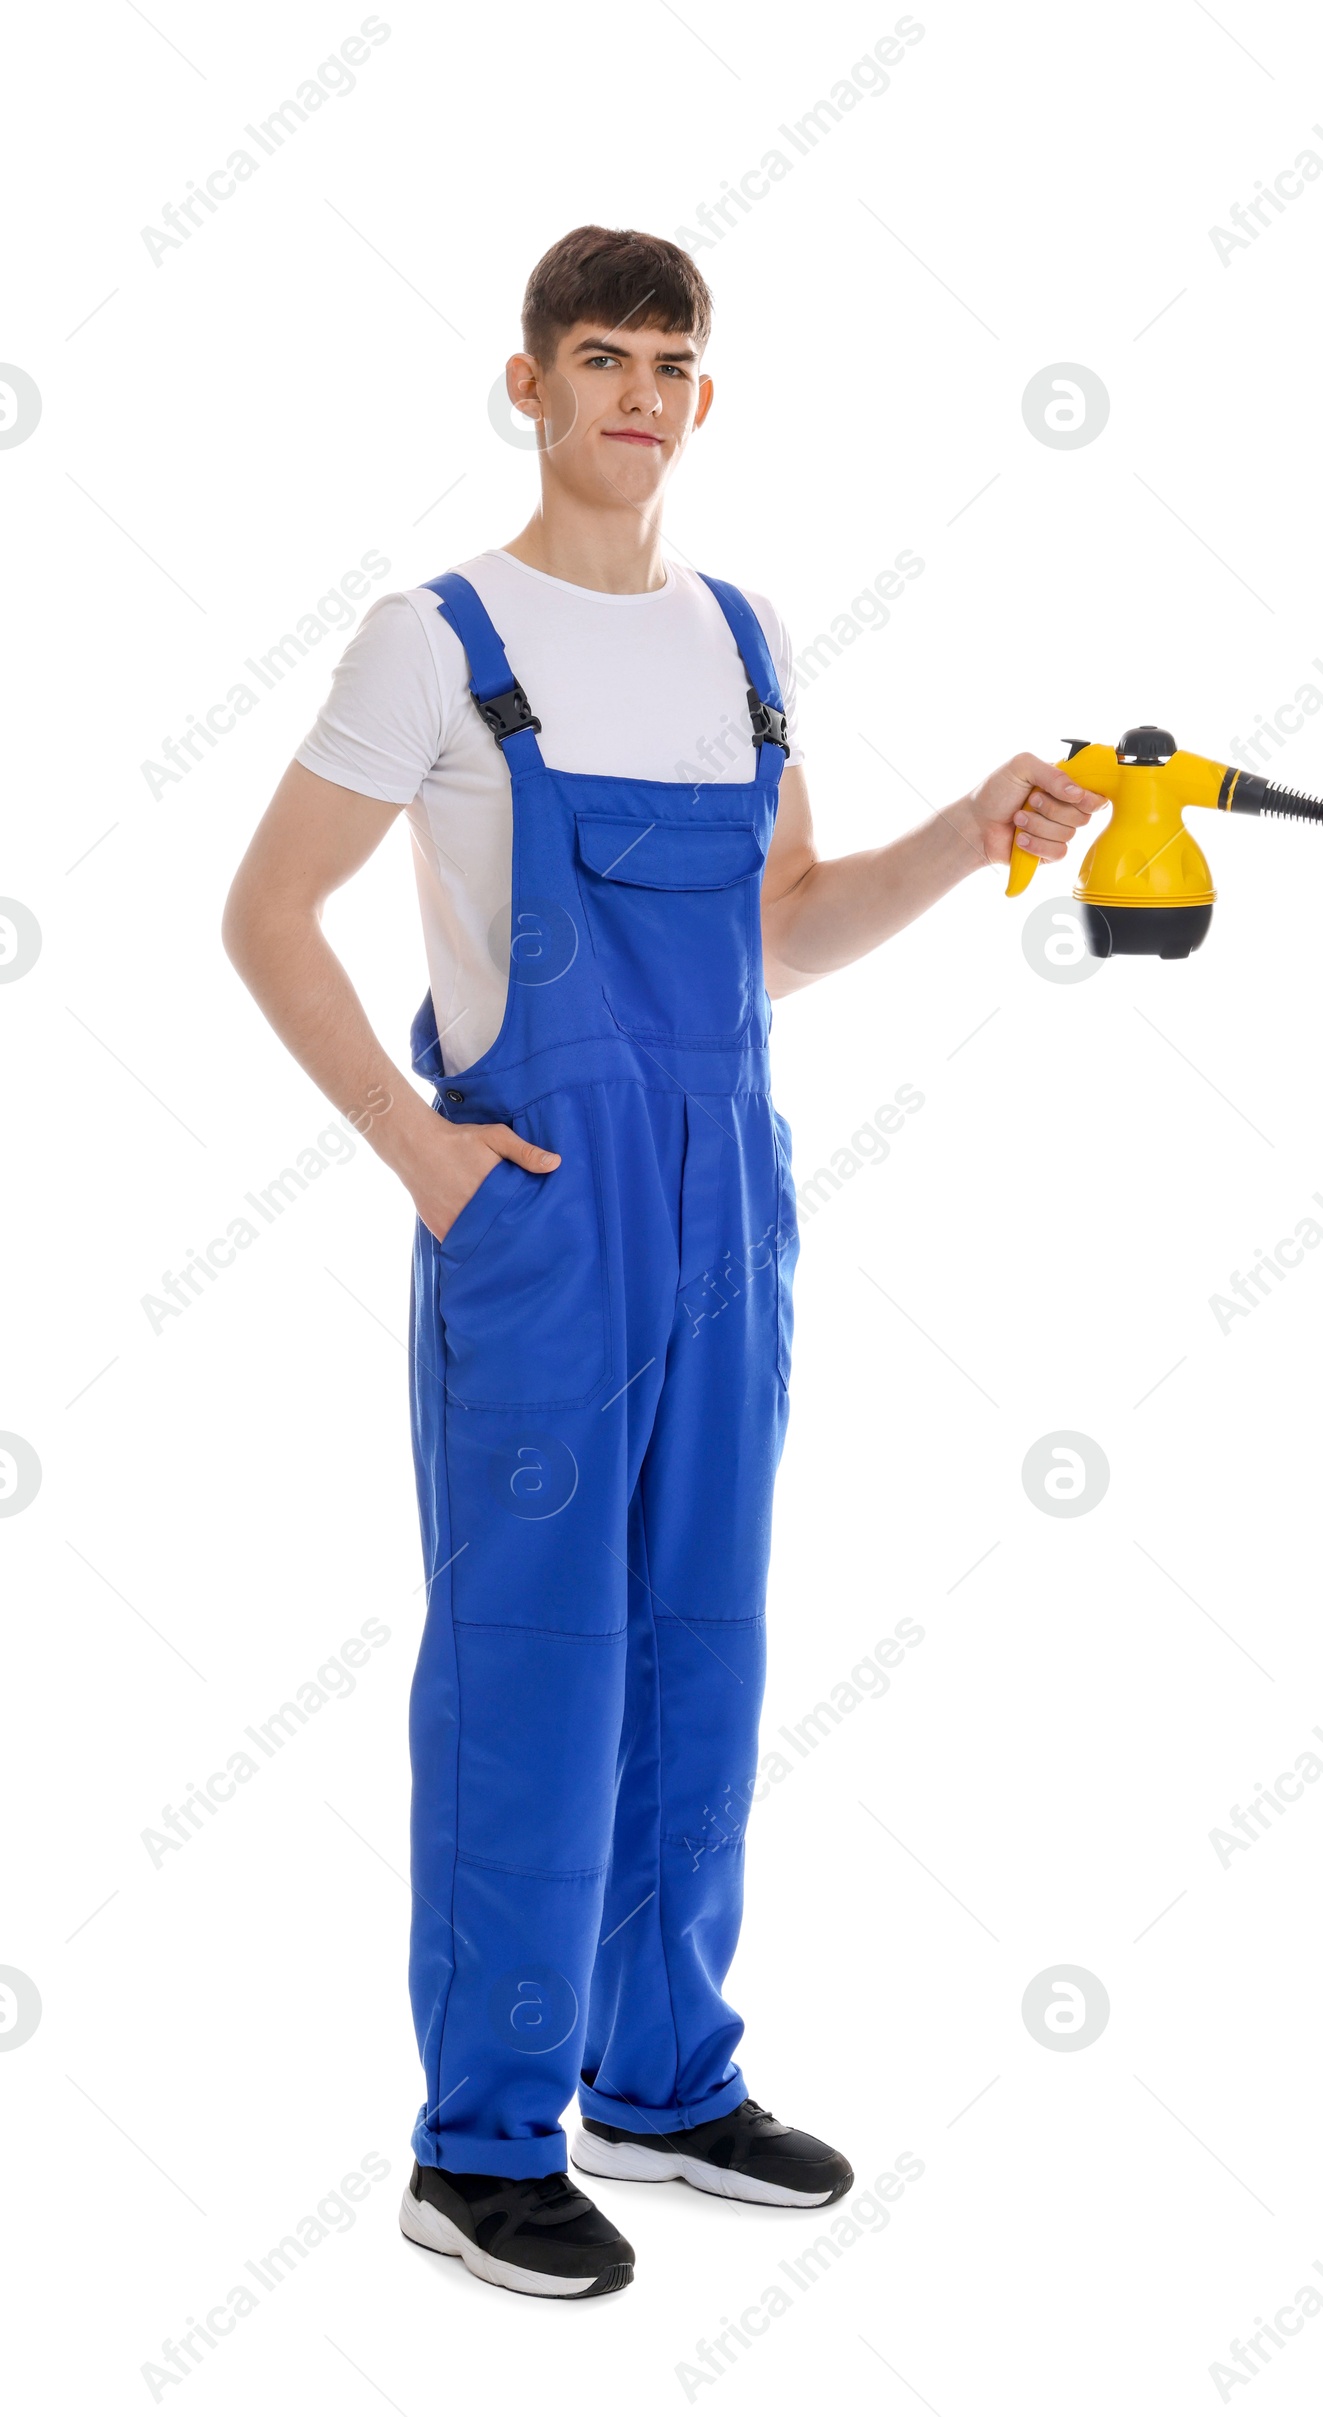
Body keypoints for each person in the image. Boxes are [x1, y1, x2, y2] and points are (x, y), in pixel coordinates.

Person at [222, 223, 1104, 2301]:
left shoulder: (744, 636)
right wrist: (427, 1162)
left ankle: (662, 2075)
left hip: (724, 1209)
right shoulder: (430, 640)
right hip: (537, 1222)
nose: (632, 390)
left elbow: (781, 930)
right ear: (523, 384)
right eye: (594, 354)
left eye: (667, 360)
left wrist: (965, 835)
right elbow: (267, 915)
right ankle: (484, 2138)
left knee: (699, 1647)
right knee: (537, 1664)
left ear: (702, 400)